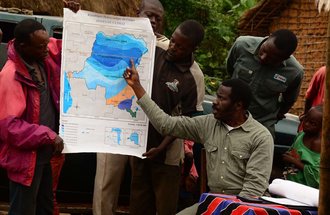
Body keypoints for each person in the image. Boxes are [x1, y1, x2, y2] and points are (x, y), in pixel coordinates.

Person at [123, 62, 274, 214]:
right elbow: (166, 124)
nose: (215, 102)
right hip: (214, 203)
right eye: (216, 97)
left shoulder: (260, 137)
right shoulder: (208, 123)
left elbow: (253, 190)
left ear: (238, 105)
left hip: (244, 207)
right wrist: (137, 87)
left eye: (221, 99)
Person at [92, 1, 168, 214]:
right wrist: (75, 15)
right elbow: (87, 36)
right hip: (113, 121)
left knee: (141, 186)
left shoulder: (166, 48)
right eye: (149, 15)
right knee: (106, 182)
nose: (153, 21)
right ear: (137, 13)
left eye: (158, 18)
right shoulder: (115, 35)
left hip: (144, 128)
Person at [127, 20, 205, 215]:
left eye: (180, 46)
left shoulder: (194, 77)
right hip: (139, 145)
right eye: (173, 41)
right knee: (138, 202)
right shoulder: (156, 49)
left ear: (193, 49)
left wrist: (161, 147)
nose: (173, 48)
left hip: (167, 154)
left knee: (165, 206)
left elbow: (187, 122)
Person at [0, 19, 64, 214]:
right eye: (41, 46)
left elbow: (64, 47)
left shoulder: (40, 56)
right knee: (23, 209)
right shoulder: (11, 76)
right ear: (23, 46)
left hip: (44, 154)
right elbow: (9, 128)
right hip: (27, 159)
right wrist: (48, 135)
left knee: (45, 207)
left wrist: (73, 16)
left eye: (46, 43)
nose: (47, 49)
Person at [227, 29, 304, 137]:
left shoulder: (294, 72)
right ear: (269, 37)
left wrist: (276, 115)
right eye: (264, 50)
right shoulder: (242, 45)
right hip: (229, 116)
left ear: (284, 58)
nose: (263, 58)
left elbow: (289, 100)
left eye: (272, 59)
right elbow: (230, 70)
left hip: (261, 125)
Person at [283, 105, 322, 189]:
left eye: (313, 123)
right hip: (290, 181)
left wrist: (294, 161)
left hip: (303, 189)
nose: (306, 124)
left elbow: (316, 176)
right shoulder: (301, 134)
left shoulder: (317, 144)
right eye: (306, 119)